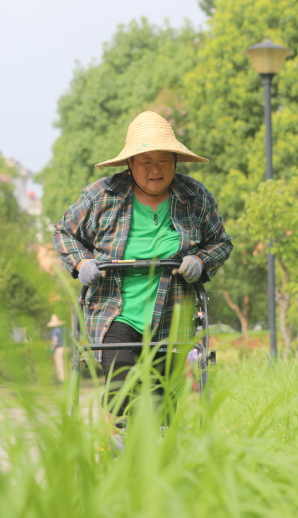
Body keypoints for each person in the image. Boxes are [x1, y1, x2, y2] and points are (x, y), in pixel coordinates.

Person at [53, 110, 232, 418]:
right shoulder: (102, 195)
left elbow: (221, 242)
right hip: (114, 312)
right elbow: (64, 232)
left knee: (161, 404)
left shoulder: (195, 197)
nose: (155, 169)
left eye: (163, 160)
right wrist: (82, 263)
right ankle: (126, 434)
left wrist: (200, 261)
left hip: (173, 315)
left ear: (175, 162)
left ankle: (153, 443)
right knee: (122, 394)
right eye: (145, 161)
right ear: (130, 164)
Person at [47, 314, 66, 382]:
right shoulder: (64, 330)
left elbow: (55, 342)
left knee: (60, 365)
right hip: (66, 349)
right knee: (66, 364)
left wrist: (52, 349)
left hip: (59, 349)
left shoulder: (55, 331)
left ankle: (62, 380)